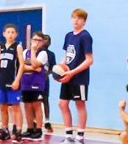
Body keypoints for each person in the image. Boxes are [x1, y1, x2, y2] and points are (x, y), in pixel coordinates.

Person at [58, 9, 94, 142]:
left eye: (79, 18)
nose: (75, 20)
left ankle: (80, 137)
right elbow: (67, 56)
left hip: (79, 77)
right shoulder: (68, 35)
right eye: (73, 17)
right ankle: (68, 135)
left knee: (80, 105)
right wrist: (60, 67)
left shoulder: (85, 36)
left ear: (84, 21)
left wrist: (72, 72)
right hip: (67, 76)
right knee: (62, 104)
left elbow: (89, 59)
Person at [0, 24, 25, 141]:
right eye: (8, 32)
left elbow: (21, 65)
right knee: (2, 106)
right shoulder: (1, 48)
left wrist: (17, 80)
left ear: (16, 34)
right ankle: (5, 130)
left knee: (16, 107)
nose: (10, 34)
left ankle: (18, 131)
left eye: (13, 32)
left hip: (13, 82)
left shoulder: (18, 47)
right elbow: (0, 65)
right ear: (4, 34)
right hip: (2, 81)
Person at [20, 31, 50, 140]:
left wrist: (33, 51)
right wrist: (33, 68)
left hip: (37, 83)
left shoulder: (43, 53)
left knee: (36, 105)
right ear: (31, 40)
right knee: (27, 105)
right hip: (25, 82)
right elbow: (22, 66)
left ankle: (38, 130)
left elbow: (35, 63)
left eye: (39, 40)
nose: (36, 42)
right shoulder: (24, 52)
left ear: (42, 42)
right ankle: (29, 128)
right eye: (34, 39)